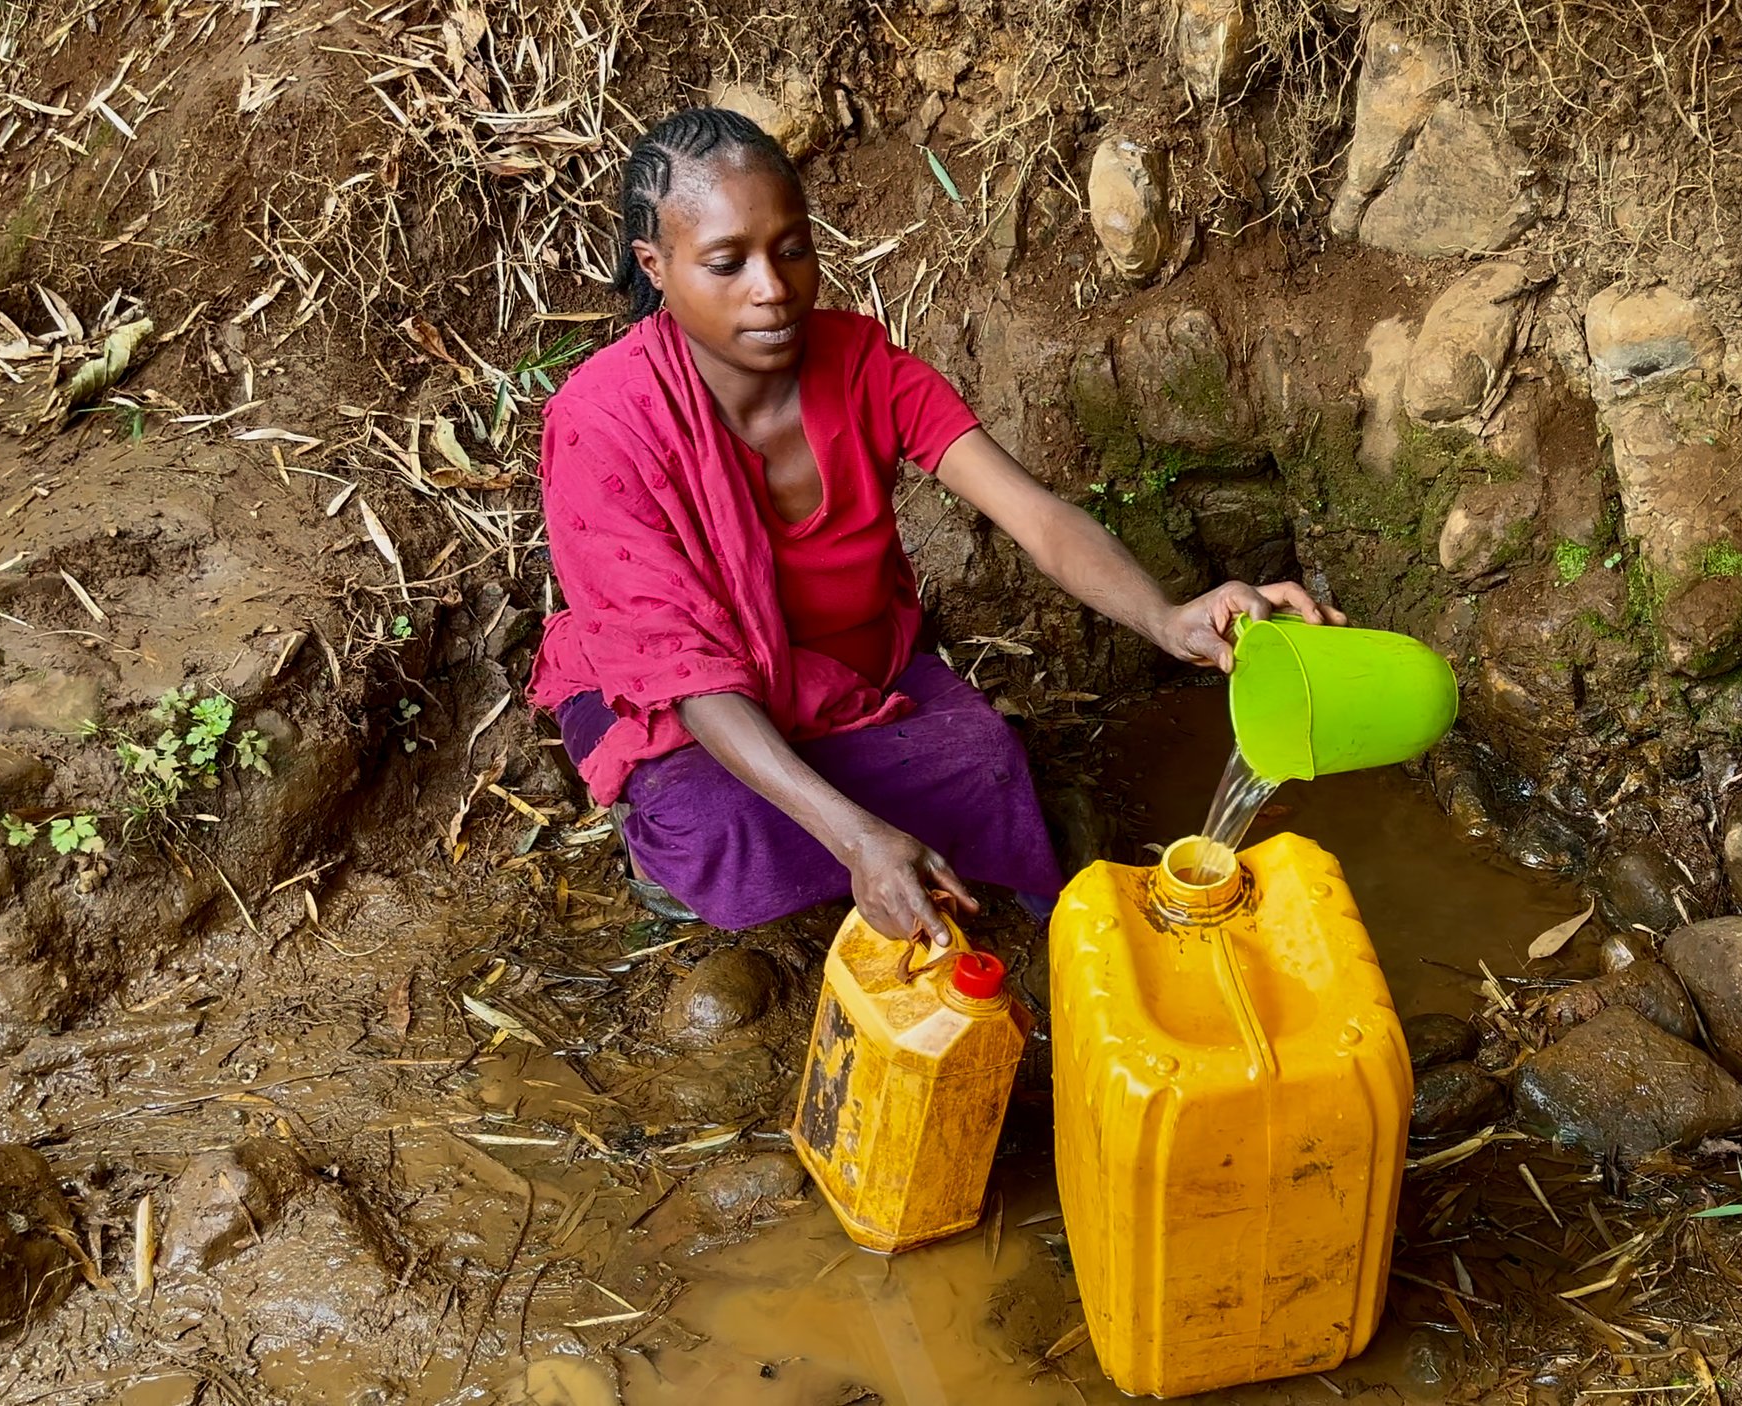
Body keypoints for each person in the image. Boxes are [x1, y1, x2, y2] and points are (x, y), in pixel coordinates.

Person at [529, 108, 1343, 949]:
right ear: (655, 266)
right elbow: (690, 676)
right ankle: (677, 849)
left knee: (988, 761)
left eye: (793, 249)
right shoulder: (603, 425)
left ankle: (876, 832)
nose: (771, 288)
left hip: (848, 674)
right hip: (682, 698)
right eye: (727, 263)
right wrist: (856, 840)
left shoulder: (860, 367)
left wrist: (1167, 620)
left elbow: (1036, 516)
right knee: (714, 826)